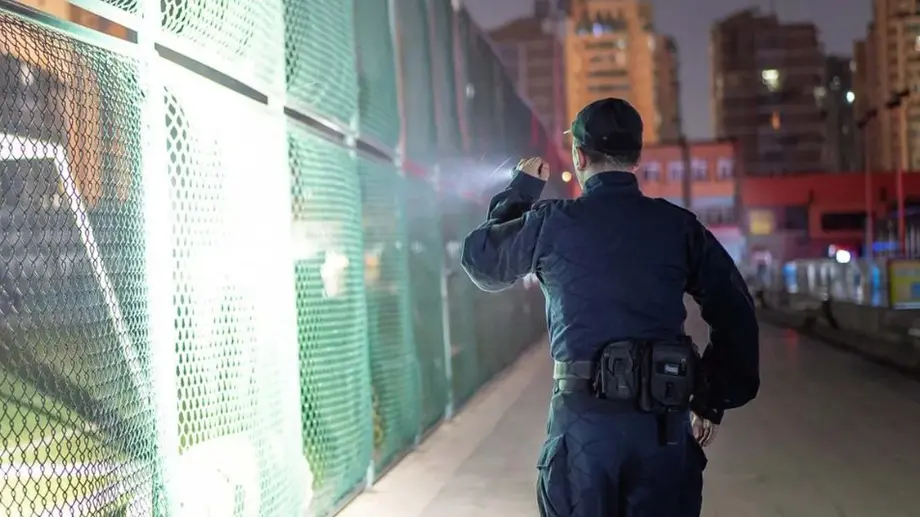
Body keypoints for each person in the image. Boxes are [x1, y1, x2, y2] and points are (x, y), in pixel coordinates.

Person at [460, 97, 760, 517]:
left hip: (583, 429)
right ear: (635, 157)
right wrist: (710, 396)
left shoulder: (553, 222)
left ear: (580, 156)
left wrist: (520, 192)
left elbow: (482, 262)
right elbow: (736, 310)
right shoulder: (678, 227)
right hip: (663, 427)